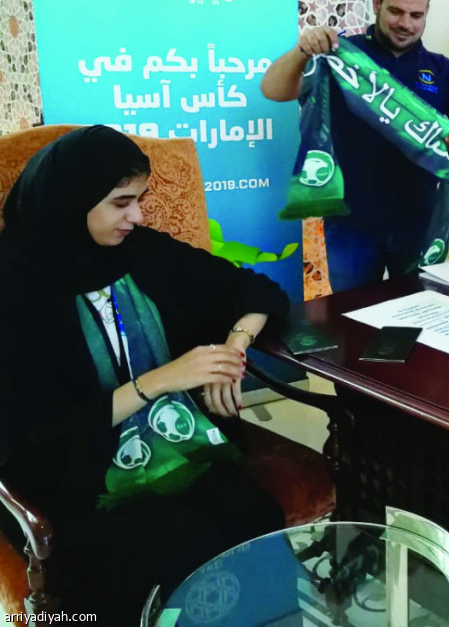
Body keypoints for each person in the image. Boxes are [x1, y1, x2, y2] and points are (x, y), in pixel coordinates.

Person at [0, 126, 289, 622]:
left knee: (254, 516)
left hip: (170, 442)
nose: (136, 216)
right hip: (72, 477)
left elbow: (255, 289)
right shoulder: (13, 287)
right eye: (121, 203)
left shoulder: (139, 251)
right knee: (181, 545)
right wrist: (161, 380)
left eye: (140, 199)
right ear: (72, 201)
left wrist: (232, 348)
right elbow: (34, 442)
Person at [261, 0, 449, 291]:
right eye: (396, 11)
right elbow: (273, 89)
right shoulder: (340, 55)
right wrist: (302, 50)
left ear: (426, 13)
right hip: (349, 226)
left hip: (418, 226)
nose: (406, 23)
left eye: (416, 15)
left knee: (418, 313)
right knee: (347, 316)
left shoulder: (442, 69)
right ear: (377, 3)